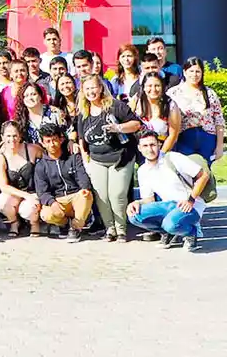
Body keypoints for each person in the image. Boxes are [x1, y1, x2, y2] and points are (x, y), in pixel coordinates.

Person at [76, 74, 142, 241]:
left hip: (121, 157)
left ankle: (121, 229)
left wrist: (118, 128)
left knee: (117, 194)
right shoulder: (83, 112)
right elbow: (82, 139)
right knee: (101, 196)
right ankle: (110, 229)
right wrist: (86, 161)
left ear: (101, 88)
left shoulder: (115, 106)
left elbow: (136, 124)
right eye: (87, 88)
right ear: (83, 91)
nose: (91, 92)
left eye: (94, 87)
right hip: (97, 159)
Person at [127, 130, 212, 251]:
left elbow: (203, 176)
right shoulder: (143, 170)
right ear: (139, 148)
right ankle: (168, 233)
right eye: (145, 146)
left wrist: (191, 200)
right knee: (135, 216)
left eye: (152, 145)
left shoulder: (173, 158)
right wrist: (136, 203)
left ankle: (191, 233)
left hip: (189, 205)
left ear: (159, 145)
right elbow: (149, 199)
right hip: (167, 206)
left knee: (171, 224)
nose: (149, 149)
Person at [33, 123, 95, 242]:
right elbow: (42, 191)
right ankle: (66, 224)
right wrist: (52, 202)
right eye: (48, 141)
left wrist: (85, 188)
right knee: (46, 214)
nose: (52, 144)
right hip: (58, 199)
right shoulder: (41, 165)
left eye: (55, 140)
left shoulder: (73, 157)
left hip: (75, 196)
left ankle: (76, 227)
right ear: (42, 143)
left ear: (61, 139)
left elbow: (82, 176)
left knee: (86, 195)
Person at [168, 58, 227, 162]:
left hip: (207, 137)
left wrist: (219, 147)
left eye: (197, 71)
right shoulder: (174, 93)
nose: (194, 75)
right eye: (191, 71)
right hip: (183, 138)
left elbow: (219, 120)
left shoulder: (209, 93)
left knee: (205, 171)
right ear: (184, 72)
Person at [0, 121, 43, 237]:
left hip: (33, 191)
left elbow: (48, 159)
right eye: (8, 136)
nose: (12, 139)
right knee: (1, 202)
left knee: (27, 210)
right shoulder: (0, 157)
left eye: (15, 135)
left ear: (20, 136)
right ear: (2, 137)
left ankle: (34, 223)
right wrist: (24, 195)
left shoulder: (32, 149)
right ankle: (14, 222)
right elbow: (3, 186)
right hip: (14, 193)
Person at [134, 72, 183, 152]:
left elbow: (173, 134)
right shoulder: (136, 102)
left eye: (157, 86)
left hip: (163, 149)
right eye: (149, 86)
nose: (153, 89)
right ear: (143, 88)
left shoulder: (170, 105)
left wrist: (161, 155)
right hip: (140, 150)